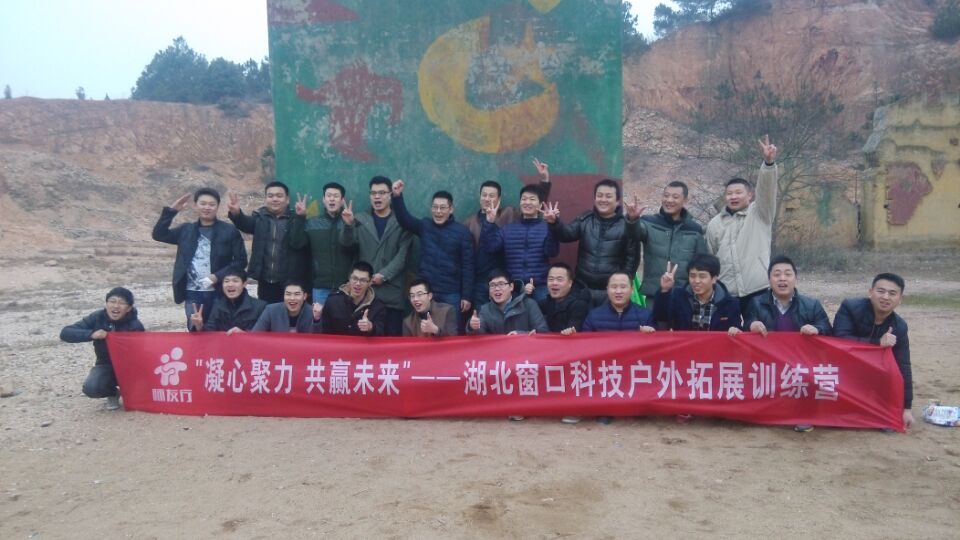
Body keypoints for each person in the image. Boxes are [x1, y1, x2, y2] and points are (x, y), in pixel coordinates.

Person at [152, 188, 247, 329]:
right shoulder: (186, 230)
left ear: (217, 207)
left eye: (211, 204)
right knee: (195, 330)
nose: (207, 207)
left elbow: (241, 261)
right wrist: (171, 212)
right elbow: (158, 234)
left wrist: (217, 276)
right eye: (203, 203)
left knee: (220, 330)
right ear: (195, 205)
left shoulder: (229, 231)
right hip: (192, 293)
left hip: (220, 292)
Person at [463, 158, 552, 308]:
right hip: (481, 280)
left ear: (499, 199)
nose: (487, 199)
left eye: (492, 196)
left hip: (507, 280)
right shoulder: (468, 223)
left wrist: (544, 180)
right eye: (484, 195)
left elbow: (533, 204)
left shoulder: (509, 214)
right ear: (479, 197)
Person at [706, 135, 779, 312]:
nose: (733, 196)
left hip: (758, 289)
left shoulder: (760, 213)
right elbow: (711, 258)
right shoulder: (715, 223)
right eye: (729, 193)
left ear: (750, 195)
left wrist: (768, 165)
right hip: (726, 292)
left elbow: (767, 190)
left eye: (738, 192)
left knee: (758, 329)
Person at [834, 273, 915, 430]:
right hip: (843, 369)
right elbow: (840, 339)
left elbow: (903, 365)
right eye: (881, 291)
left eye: (892, 293)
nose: (885, 297)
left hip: (871, 376)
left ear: (900, 299)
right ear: (870, 292)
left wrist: (906, 408)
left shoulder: (899, 326)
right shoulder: (850, 307)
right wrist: (877, 343)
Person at [391, 179, 474, 325]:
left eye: (442, 208)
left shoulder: (462, 232)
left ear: (451, 209)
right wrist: (397, 197)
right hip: (426, 292)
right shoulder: (425, 225)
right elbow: (404, 220)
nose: (438, 211)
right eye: (435, 207)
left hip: (451, 292)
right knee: (423, 330)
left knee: (451, 330)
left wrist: (466, 296)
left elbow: (468, 266)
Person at [339, 176, 413, 336]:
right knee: (365, 340)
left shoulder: (402, 222)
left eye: (382, 193)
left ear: (390, 195)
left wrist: (384, 275)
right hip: (364, 295)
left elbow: (402, 256)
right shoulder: (359, 219)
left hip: (392, 293)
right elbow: (347, 246)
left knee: (391, 340)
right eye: (373, 193)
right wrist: (348, 225)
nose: (377, 197)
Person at [544, 178, 639, 299]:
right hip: (583, 288)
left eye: (608, 196)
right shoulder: (585, 219)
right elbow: (566, 235)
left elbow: (632, 259)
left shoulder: (626, 225)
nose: (603, 199)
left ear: (617, 201)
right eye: (599, 195)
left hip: (611, 291)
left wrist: (623, 284)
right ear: (594, 199)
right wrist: (554, 222)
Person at [624, 181, 708, 309]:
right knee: (652, 322)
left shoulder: (694, 229)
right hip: (654, 294)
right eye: (666, 195)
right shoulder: (649, 222)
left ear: (685, 201)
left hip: (685, 295)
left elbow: (701, 263)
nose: (669, 200)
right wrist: (632, 220)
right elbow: (634, 234)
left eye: (675, 197)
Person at [59, 287, 145, 410]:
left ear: (129, 308)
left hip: (129, 368)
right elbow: (65, 333)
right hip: (106, 365)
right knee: (92, 388)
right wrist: (91, 334)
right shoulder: (97, 317)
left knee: (142, 394)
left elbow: (141, 353)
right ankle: (113, 393)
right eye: (112, 301)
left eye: (122, 303)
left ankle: (132, 390)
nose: (116, 306)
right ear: (106, 304)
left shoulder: (135, 325)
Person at [226, 181, 309, 304]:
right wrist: (237, 213)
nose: (274, 199)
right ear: (266, 199)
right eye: (270, 196)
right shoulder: (260, 217)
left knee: (288, 312)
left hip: (289, 281)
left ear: (287, 200)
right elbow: (245, 224)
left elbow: (298, 242)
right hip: (265, 280)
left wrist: (300, 218)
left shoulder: (294, 218)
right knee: (267, 312)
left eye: (279, 196)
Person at [480, 184, 558, 303]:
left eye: (532, 199)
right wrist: (489, 222)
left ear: (540, 205)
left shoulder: (546, 228)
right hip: (514, 288)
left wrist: (553, 226)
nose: (527, 202)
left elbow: (552, 252)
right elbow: (490, 247)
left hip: (539, 285)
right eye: (524, 199)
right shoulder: (508, 229)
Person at [288, 182, 356, 306]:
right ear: (323, 200)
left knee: (344, 318)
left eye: (336, 196)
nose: (332, 199)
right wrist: (300, 218)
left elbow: (350, 246)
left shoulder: (352, 222)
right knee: (319, 318)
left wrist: (348, 225)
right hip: (320, 286)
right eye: (328, 196)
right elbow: (297, 244)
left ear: (342, 201)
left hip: (346, 286)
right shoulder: (313, 223)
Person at [744, 255, 831, 338]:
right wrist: (752, 325)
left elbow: (828, 330)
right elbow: (746, 328)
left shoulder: (812, 305)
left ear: (795, 278)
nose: (782, 278)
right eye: (777, 275)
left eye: (788, 274)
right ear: (769, 279)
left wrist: (817, 329)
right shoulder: (756, 304)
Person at [654, 254, 741, 334]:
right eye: (692, 276)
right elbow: (661, 317)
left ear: (714, 279)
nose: (696, 281)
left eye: (702, 276)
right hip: (685, 346)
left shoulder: (730, 304)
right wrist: (665, 290)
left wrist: (735, 330)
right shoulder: (679, 297)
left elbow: (736, 329)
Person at [467, 269, 549, 335]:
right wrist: (472, 327)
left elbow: (543, 331)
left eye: (501, 284)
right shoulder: (485, 310)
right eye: (492, 285)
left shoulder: (529, 304)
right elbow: (477, 336)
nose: (497, 289)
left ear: (511, 286)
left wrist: (521, 335)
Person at [191, 269, 267, 334]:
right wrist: (199, 326)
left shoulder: (260, 306)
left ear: (244, 284)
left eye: (235, 281)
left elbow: (265, 337)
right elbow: (209, 335)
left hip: (248, 346)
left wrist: (244, 334)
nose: (230, 284)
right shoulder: (217, 306)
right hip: (223, 346)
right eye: (226, 281)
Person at [320, 261, 387, 336]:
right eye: (355, 278)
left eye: (363, 280)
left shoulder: (378, 306)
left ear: (370, 282)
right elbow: (323, 332)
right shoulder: (333, 301)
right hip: (336, 343)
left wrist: (371, 327)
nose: (358, 283)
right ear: (349, 278)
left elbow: (381, 334)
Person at [582, 272, 657, 333]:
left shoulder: (646, 316)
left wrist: (649, 335)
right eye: (614, 287)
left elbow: (656, 343)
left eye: (623, 287)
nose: (618, 291)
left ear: (632, 290)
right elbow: (586, 343)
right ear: (607, 289)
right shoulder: (594, 316)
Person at [538, 263, 591, 335]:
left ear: (570, 283)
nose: (554, 283)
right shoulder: (547, 302)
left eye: (559, 280)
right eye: (551, 279)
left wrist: (570, 331)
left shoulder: (579, 304)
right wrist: (529, 294)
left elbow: (574, 328)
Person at [252, 282, 321, 333]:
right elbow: (255, 335)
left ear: (304, 296)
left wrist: (316, 320)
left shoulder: (313, 313)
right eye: (288, 294)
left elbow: (318, 341)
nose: (292, 298)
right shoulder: (271, 310)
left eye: (297, 294)